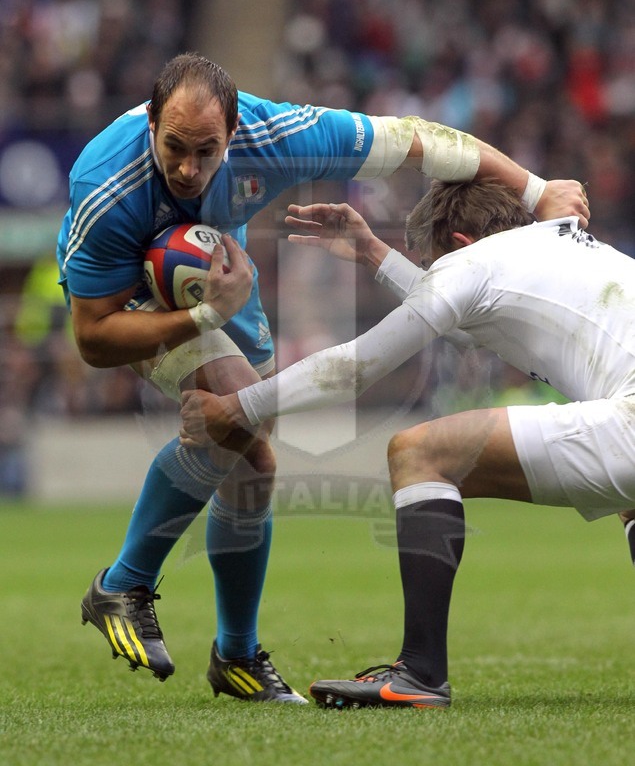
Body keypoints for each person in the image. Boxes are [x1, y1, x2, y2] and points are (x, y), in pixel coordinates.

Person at [57, 50, 589, 703]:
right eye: (174, 148)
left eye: (207, 149)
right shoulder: (107, 187)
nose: (189, 168)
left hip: (219, 268)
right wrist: (200, 314)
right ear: (150, 129)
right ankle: (126, 585)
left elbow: (424, 141)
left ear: (235, 132)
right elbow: (93, 339)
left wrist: (535, 190)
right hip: (135, 298)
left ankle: (234, 656)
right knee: (234, 409)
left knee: (252, 458)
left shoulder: (279, 135)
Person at [179, 178, 635, 709]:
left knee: (419, 453)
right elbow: (470, 324)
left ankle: (420, 672)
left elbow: (353, 368)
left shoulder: (474, 265)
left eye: (435, 262)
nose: (437, 275)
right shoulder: (561, 248)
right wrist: (375, 253)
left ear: (461, 245)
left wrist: (237, 407)